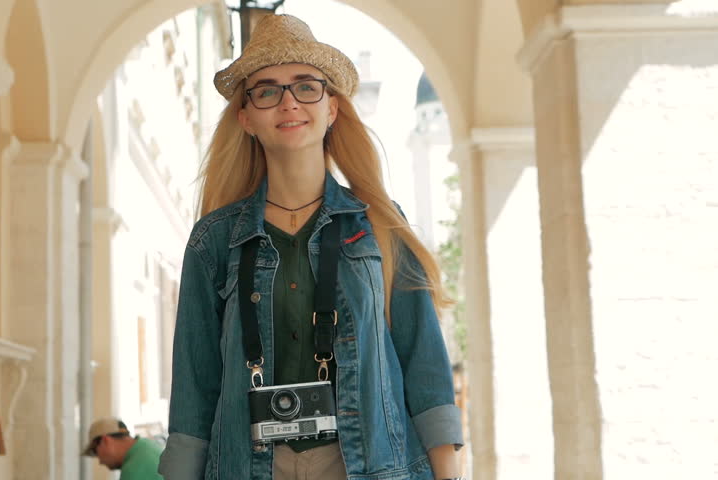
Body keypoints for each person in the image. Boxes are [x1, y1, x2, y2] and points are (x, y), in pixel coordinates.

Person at [158, 14, 463, 480]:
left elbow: (423, 357)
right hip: (251, 466)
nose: (288, 103)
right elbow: (194, 386)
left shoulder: (380, 225)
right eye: (267, 90)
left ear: (332, 108)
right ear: (246, 116)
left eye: (306, 86)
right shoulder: (212, 241)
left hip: (367, 465)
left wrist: (450, 471)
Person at [82, 417, 164, 479]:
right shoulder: (147, 445)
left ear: (105, 440)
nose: (100, 462)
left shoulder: (132, 471)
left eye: (95, 452)